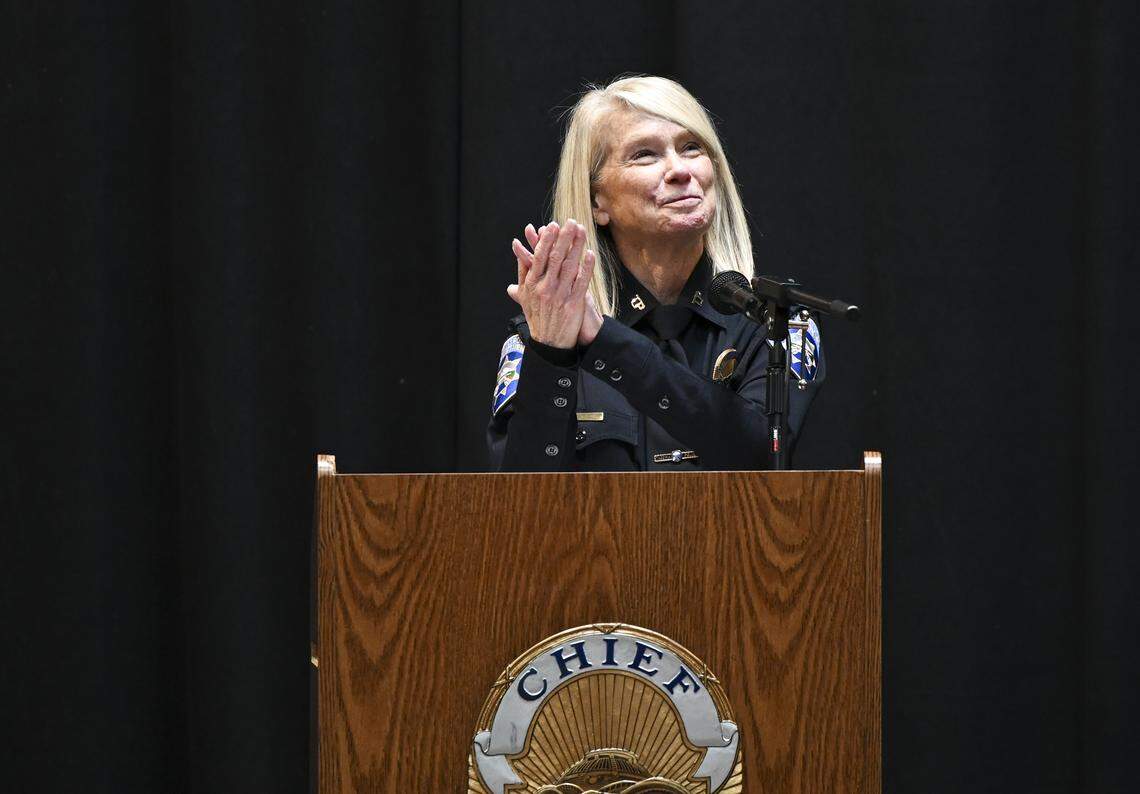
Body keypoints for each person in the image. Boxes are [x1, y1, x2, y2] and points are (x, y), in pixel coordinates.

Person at [487, 75, 824, 472]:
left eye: (692, 147)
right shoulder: (545, 334)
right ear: (598, 202)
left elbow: (762, 455)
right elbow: (517, 497)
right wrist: (551, 356)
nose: (680, 170)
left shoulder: (775, 323)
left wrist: (608, 343)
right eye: (645, 154)